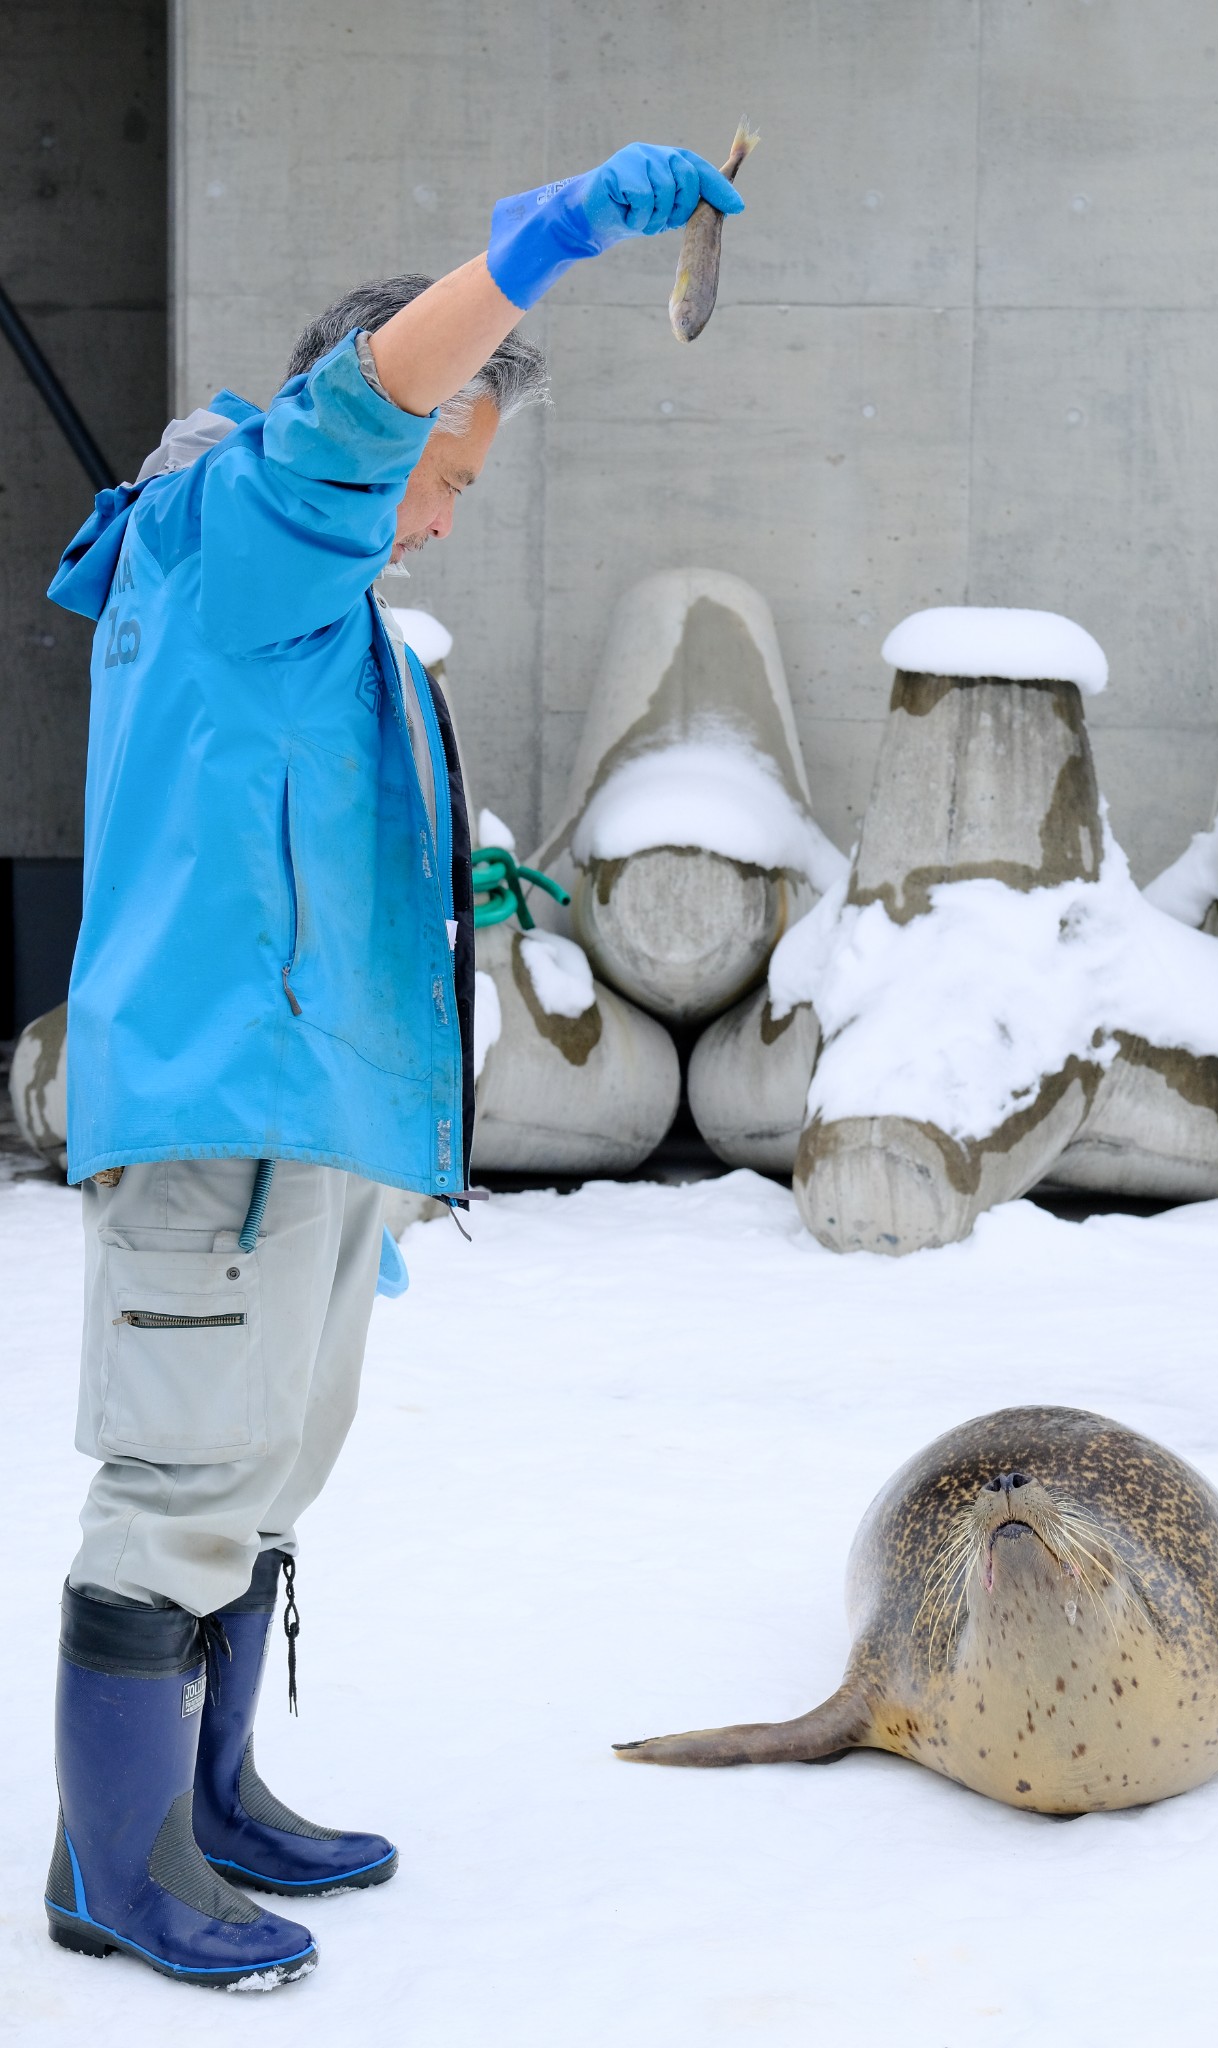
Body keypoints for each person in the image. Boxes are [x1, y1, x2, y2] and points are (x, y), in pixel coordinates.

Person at [42, 141, 744, 1991]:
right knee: (184, 1481)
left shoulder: (290, 593)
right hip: (224, 1110)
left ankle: (202, 1801)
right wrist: (552, 242)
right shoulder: (269, 526)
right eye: (441, 470)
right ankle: (118, 1868)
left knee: (267, 1471)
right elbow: (371, 406)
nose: (432, 518)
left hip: (311, 1114)